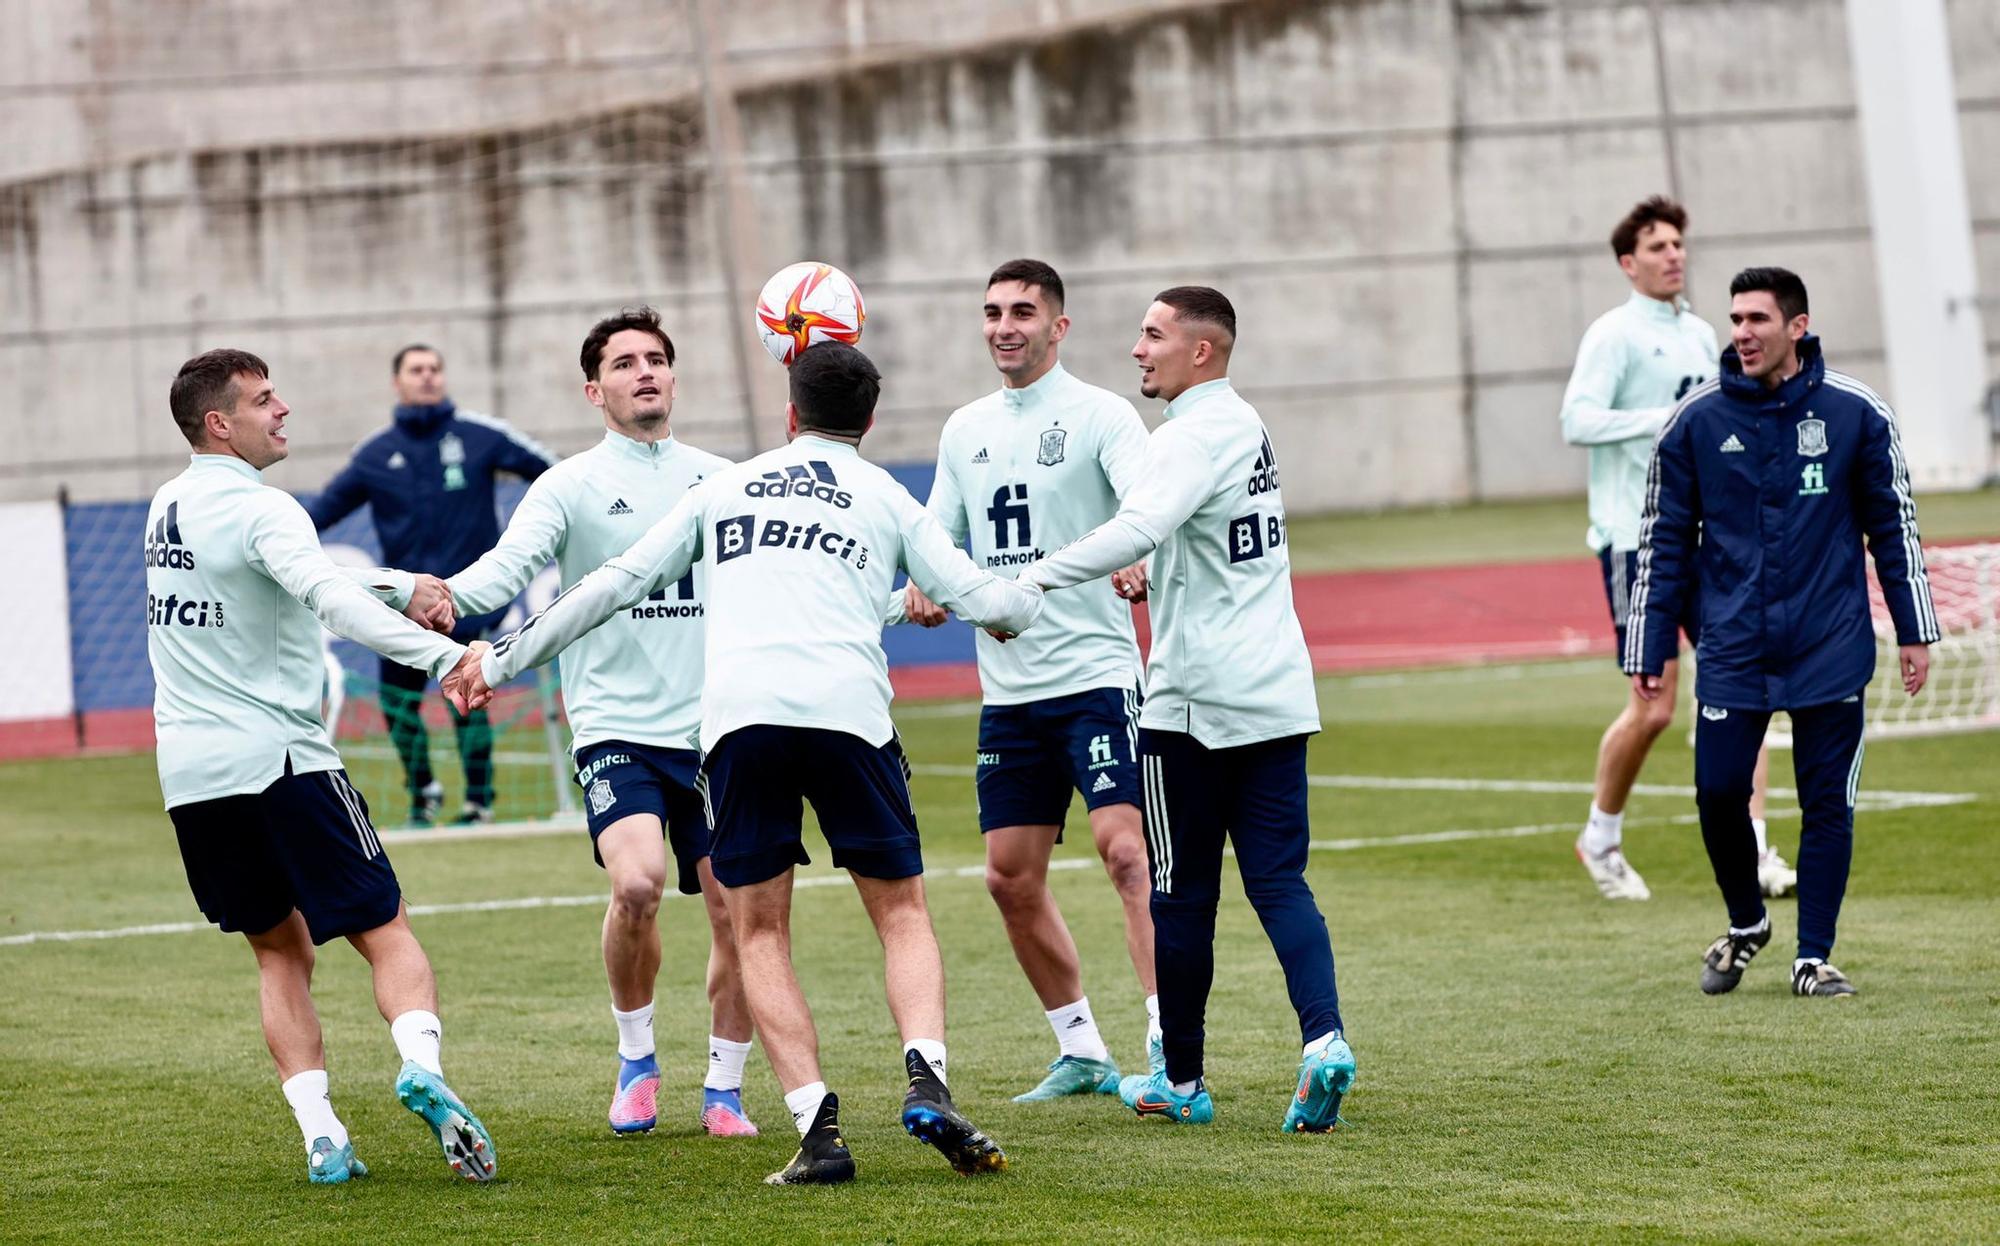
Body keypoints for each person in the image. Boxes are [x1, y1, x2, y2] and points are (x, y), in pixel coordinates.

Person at [451, 343, 1044, 1185]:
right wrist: (1044, 587)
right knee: (902, 912)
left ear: (790, 412)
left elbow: (610, 585)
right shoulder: (883, 494)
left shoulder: (721, 487)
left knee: (758, 926)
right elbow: (991, 604)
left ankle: (817, 1130)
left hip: (738, 725)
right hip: (849, 717)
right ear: (869, 422)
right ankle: (927, 1079)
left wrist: (498, 661)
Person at [146, 349, 498, 1183]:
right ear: (219, 423)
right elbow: (323, 596)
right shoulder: (268, 510)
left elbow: (276, 577)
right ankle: (423, 1068)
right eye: (265, 401)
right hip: (283, 762)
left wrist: (395, 581)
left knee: (280, 954)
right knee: (387, 931)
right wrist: (439, 656)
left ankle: (322, 1136)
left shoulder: (168, 503)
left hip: (193, 779)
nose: (284, 411)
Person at [1017, 287, 1352, 1134]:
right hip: (1277, 689)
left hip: (1195, 703)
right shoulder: (1246, 424)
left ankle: (1183, 1081)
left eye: (1153, 334)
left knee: (1181, 896)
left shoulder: (1189, 435)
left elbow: (1139, 526)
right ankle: (1324, 1044)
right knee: (1280, 882)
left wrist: (1035, 577)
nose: (1138, 349)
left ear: (1200, 351)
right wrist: (1153, 567)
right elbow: (1190, 537)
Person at [436, 308, 758, 1137]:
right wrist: (419, 595)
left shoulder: (724, 479)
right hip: (617, 727)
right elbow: (495, 578)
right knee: (638, 882)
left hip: (719, 731)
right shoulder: (569, 486)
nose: (644, 372)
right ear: (595, 390)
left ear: (674, 379)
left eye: (656, 360)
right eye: (625, 363)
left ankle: (724, 1085)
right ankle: (637, 1055)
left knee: (736, 907)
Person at [889, 259, 1160, 1100]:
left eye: (1023, 312)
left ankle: (1167, 1047)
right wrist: (924, 590)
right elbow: (939, 539)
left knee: (1127, 856)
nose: (1005, 326)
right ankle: (1081, 1050)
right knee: (1008, 878)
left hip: (1096, 678)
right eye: (993, 312)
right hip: (1009, 694)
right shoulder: (965, 427)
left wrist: (1140, 560)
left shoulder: (1102, 416)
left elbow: (1149, 508)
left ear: (1059, 327)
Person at [1626, 267, 1937, 998]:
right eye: (1735, 319)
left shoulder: (1857, 413)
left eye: (1758, 319)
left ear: (1796, 326)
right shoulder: (1694, 422)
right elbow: (1662, 542)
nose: (1742, 333)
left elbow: (1894, 528)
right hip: (1733, 645)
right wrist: (1648, 646)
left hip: (1831, 643)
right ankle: (1747, 924)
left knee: (1828, 801)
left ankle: (1813, 956)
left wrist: (1915, 629)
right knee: (1716, 791)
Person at [1560, 195, 1791, 902]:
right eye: (1657, 246)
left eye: (1678, 244)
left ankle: (1753, 850)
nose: (1673, 255)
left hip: (1713, 543)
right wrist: (1665, 418)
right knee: (1656, 706)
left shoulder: (1701, 335)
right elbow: (1577, 420)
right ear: (1629, 263)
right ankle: (1600, 836)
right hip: (1640, 543)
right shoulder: (1614, 335)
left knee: (1745, 688)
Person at [307, 343, 558, 825]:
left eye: (435, 369)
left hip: (471, 601)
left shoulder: (481, 436)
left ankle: (478, 802)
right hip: (404, 607)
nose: (427, 377)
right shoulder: (376, 454)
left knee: (470, 698)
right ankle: (424, 791)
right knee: (396, 706)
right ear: (396, 382)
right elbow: (320, 513)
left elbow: (557, 478)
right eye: (416, 370)